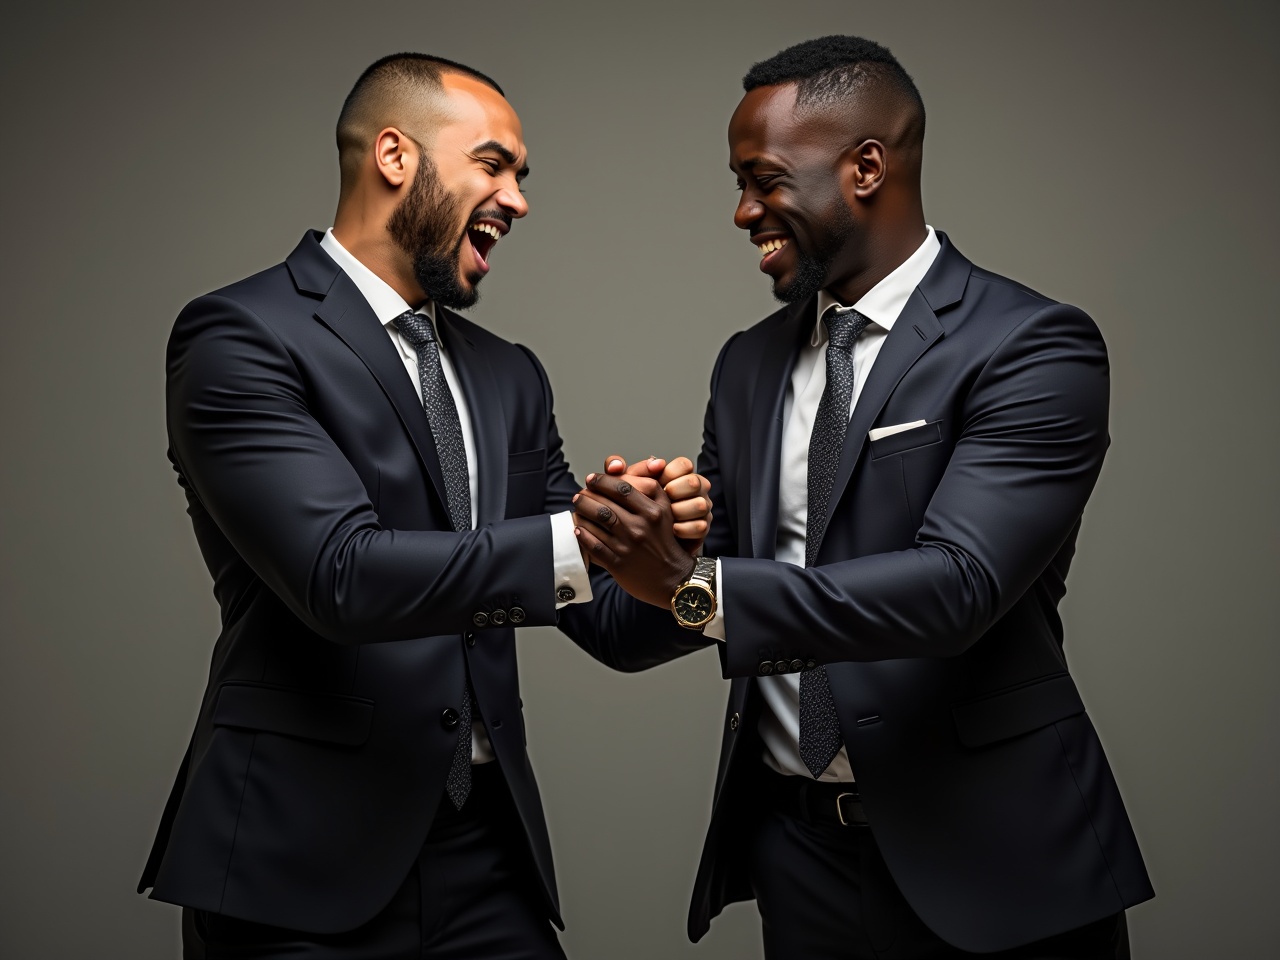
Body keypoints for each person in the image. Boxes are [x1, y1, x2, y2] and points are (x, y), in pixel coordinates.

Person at [573, 35, 1154, 959]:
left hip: (997, 861)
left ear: (867, 167)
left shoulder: (1032, 347)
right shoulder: (749, 364)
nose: (741, 211)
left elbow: (955, 588)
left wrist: (699, 583)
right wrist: (603, 540)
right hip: (797, 861)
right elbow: (659, 611)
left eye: (763, 179)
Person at [137, 52, 710, 959]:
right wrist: (585, 541)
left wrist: (674, 564)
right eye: (494, 164)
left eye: (521, 176)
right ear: (396, 156)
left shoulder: (508, 374)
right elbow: (341, 577)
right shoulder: (239, 337)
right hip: (295, 867)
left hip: (489, 860)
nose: (518, 200)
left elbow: (602, 618)